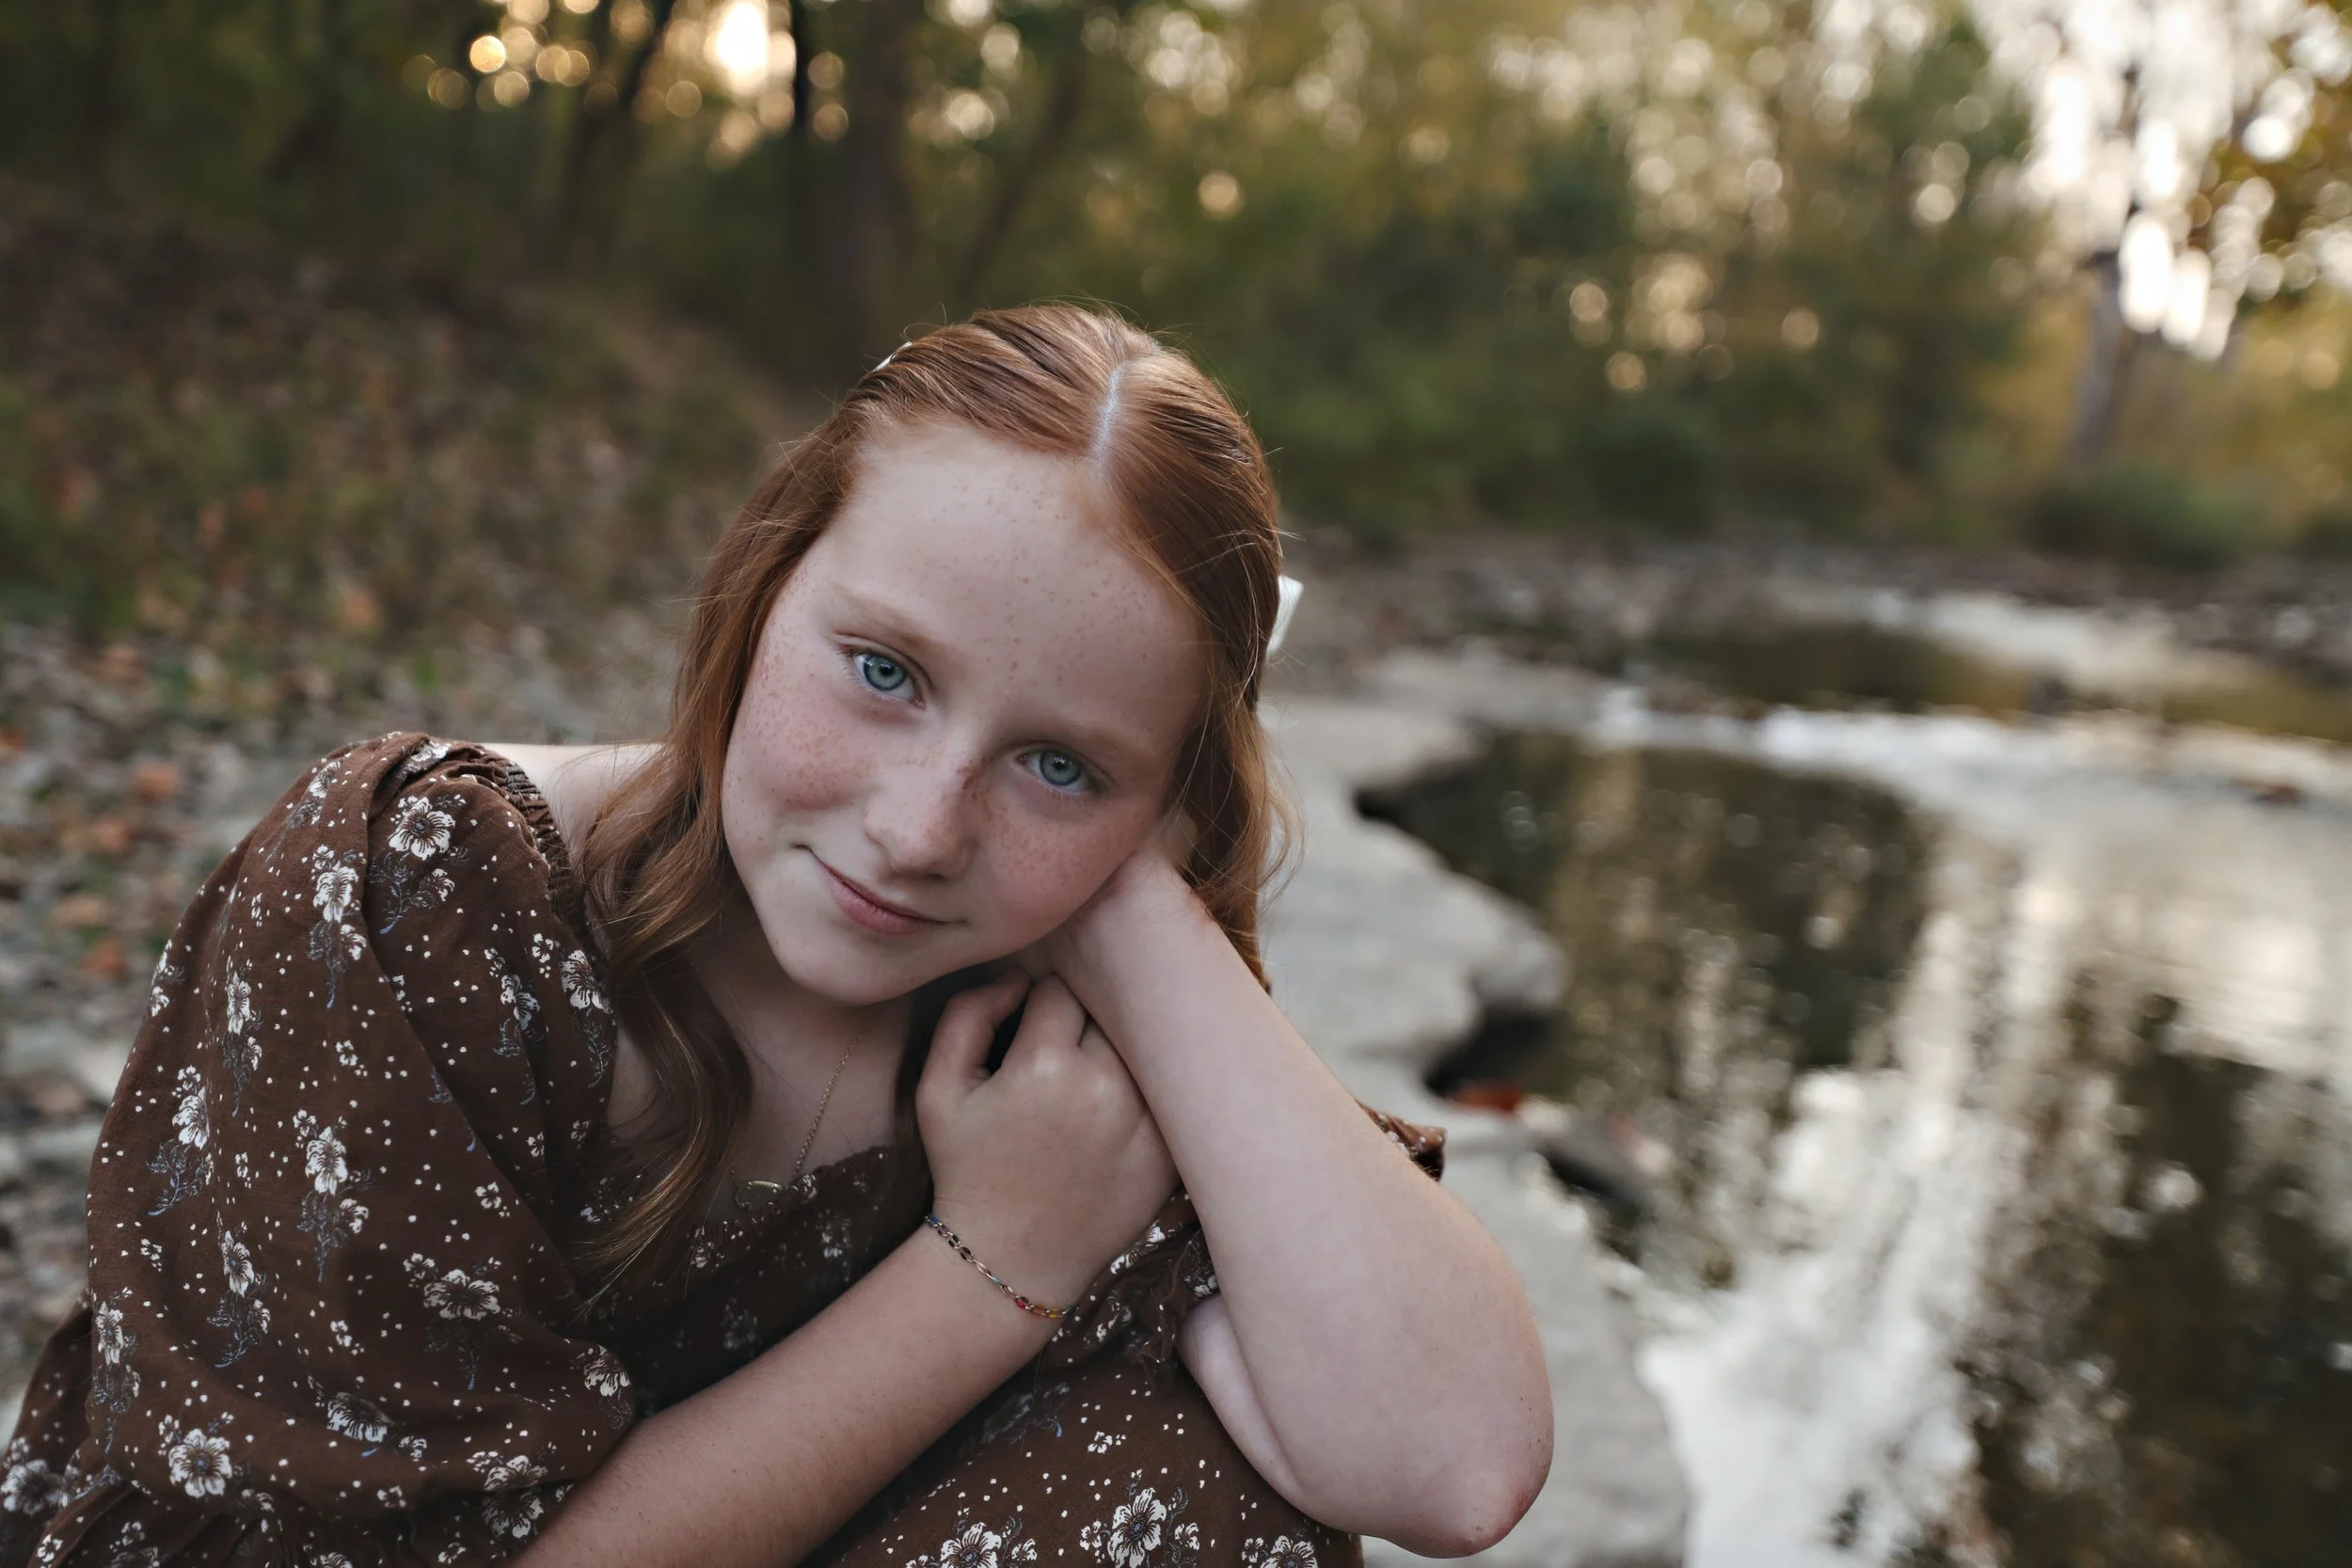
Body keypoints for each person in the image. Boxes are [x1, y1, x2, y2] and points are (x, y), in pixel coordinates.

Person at [0, 307, 1552, 1566]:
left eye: (1059, 762)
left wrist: (1143, 914)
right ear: (761, 587)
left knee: (1218, 1499)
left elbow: (1452, 1460)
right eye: (884, 670)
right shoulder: (422, 897)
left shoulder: (1058, 1034)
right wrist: (993, 1265)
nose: (921, 828)